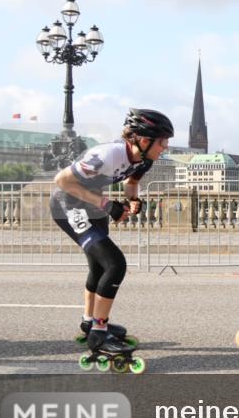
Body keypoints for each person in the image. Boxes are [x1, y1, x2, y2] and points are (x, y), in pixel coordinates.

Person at [51, 108, 174, 356]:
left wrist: (134, 201)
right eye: (163, 142)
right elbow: (62, 181)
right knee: (115, 264)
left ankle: (89, 322)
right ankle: (99, 333)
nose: (166, 147)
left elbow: (131, 182)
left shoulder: (144, 159)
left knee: (99, 267)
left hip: (93, 207)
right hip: (69, 205)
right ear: (143, 139)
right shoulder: (107, 154)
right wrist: (107, 205)